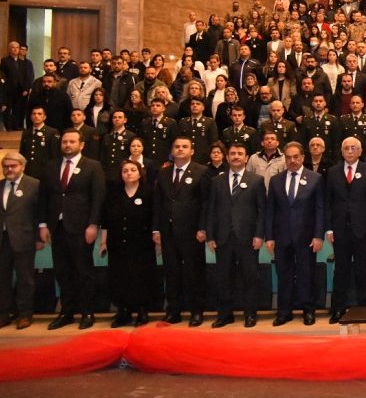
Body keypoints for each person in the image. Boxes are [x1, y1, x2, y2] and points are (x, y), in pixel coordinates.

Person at [42, 130, 107, 330]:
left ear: (81, 145)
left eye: (72, 141)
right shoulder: (51, 166)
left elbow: (98, 198)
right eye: (65, 141)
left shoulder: (92, 166)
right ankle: (67, 311)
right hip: (57, 227)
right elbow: (44, 199)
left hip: (81, 227)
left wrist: (93, 224)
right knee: (62, 271)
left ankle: (87, 311)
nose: (68, 145)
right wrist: (43, 225)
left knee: (83, 271)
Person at [0, 152, 42, 330]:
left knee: (25, 279)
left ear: (22, 166)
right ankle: (3, 315)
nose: (9, 169)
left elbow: (38, 214)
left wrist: (38, 238)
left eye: (13, 166)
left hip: (24, 239)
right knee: (1, 280)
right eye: (6, 166)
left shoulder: (34, 185)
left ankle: (25, 314)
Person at [152, 137, 211, 326]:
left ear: (192, 151)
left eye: (185, 147)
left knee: (194, 271)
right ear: (172, 150)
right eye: (177, 146)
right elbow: (158, 203)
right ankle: (174, 310)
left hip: (192, 232)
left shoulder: (201, 171)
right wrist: (156, 229)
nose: (180, 149)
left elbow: (205, 203)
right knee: (172, 272)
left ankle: (196, 311)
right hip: (168, 231)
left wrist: (203, 227)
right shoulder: (163, 173)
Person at [207, 142, 266, 328]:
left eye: (240, 153)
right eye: (232, 153)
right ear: (227, 157)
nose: (236, 156)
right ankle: (225, 314)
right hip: (223, 237)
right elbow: (211, 210)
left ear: (247, 158)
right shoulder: (216, 181)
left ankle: (250, 314)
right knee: (223, 277)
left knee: (250, 277)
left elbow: (261, 211)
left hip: (248, 237)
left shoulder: (256, 180)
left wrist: (259, 235)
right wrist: (210, 235)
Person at [266, 141, 325, 326]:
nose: (292, 160)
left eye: (296, 157)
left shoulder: (315, 178)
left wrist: (318, 235)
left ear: (302, 157)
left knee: (306, 274)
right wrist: (269, 237)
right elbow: (270, 211)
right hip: (282, 237)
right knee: (283, 275)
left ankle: (308, 310)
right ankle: (284, 312)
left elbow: (319, 209)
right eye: (288, 157)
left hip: (306, 237)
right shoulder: (276, 180)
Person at [326, 136, 366, 322]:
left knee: (361, 270)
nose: (350, 151)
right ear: (341, 152)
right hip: (339, 229)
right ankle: (337, 309)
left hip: (363, 229)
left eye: (353, 148)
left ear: (360, 151)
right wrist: (328, 229)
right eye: (346, 148)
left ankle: (362, 309)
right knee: (340, 270)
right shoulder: (332, 172)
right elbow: (328, 203)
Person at [98, 160, 156, 327]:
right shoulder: (113, 194)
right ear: (121, 174)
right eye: (125, 171)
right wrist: (103, 242)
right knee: (119, 277)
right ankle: (123, 311)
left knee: (141, 277)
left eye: (133, 170)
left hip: (142, 245)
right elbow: (106, 221)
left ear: (140, 173)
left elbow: (154, 219)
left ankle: (142, 311)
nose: (129, 173)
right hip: (117, 243)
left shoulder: (149, 192)